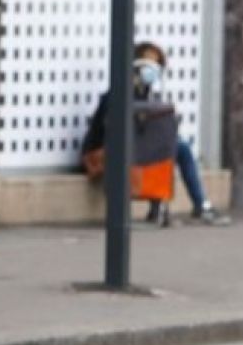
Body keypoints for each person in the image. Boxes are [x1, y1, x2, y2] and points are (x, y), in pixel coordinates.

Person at [82, 42, 230, 227]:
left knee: (177, 148)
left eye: (155, 65)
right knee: (164, 148)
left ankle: (194, 205)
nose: (150, 70)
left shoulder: (151, 98)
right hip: (104, 152)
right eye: (145, 64)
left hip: (138, 150)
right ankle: (177, 206)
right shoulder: (116, 95)